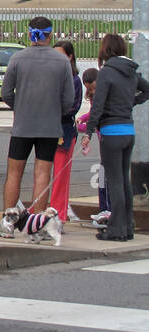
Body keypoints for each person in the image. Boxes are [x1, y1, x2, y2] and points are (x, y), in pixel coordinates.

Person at [0, 15, 72, 236]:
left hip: (23, 125)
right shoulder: (62, 62)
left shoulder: (18, 58)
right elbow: (68, 100)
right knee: (42, 173)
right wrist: (54, 111)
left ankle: (7, 224)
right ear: (51, 34)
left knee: (14, 173)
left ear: (29, 34)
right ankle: (37, 226)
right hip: (49, 126)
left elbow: (6, 93)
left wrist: (20, 105)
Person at [87, 31, 147, 242]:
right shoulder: (131, 72)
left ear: (105, 49)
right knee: (124, 181)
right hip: (128, 131)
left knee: (114, 182)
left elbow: (99, 105)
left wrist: (89, 131)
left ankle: (116, 230)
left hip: (111, 133)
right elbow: (147, 90)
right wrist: (132, 102)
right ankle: (128, 227)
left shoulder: (106, 72)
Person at [52, 40, 84, 224]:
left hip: (63, 131)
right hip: (48, 130)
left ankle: (59, 214)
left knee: (60, 177)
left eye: (61, 55)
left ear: (70, 57)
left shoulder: (74, 80)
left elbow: (72, 107)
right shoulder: (52, 76)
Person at [77, 67, 113, 228]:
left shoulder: (105, 96)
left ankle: (107, 210)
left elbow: (96, 120)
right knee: (103, 178)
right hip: (103, 142)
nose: (92, 91)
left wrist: (84, 128)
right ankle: (104, 209)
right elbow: (93, 114)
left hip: (108, 140)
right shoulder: (94, 97)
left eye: (93, 87)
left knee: (105, 178)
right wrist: (83, 118)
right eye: (89, 89)